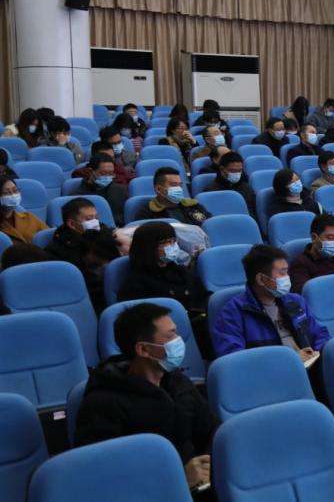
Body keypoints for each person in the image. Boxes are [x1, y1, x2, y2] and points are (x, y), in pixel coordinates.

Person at [74, 302, 218, 490]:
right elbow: (103, 474)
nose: (179, 341)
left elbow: (213, 431)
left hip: (202, 484)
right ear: (143, 349)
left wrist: (209, 463)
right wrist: (178, 478)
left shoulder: (178, 382)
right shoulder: (102, 403)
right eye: (171, 336)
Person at [213, 244, 330, 359]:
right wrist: (290, 360)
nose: (287, 277)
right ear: (261, 279)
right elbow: (234, 359)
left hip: (310, 365)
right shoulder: (233, 313)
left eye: (287, 272)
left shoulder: (296, 301)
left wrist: (318, 352)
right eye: (282, 272)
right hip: (273, 370)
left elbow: (320, 333)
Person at [45, 197, 121, 310]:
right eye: (89, 219)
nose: (95, 222)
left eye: (96, 217)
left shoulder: (108, 236)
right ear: (72, 224)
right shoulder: (56, 250)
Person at [117, 221, 200, 310]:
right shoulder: (136, 281)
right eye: (164, 242)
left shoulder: (180, 271)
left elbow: (203, 296)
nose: (171, 246)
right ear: (148, 247)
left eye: (172, 241)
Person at [137, 167, 212, 226]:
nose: (179, 188)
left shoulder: (194, 206)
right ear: (159, 189)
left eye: (180, 185)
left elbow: (209, 226)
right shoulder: (147, 212)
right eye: (173, 185)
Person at [71, 153, 128, 226]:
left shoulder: (119, 190)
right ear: (91, 171)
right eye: (103, 173)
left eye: (111, 174)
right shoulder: (77, 195)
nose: (107, 177)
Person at [202, 151, 256, 216]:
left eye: (239, 171)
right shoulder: (210, 191)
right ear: (222, 169)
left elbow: (252, 213)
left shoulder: (247, 188)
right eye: (233, 170)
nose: (237, 174)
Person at [0, 176, 48, 243]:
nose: (13, 195)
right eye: (6, 193)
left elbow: (48, 236)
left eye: (15, 190)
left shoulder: (29, 217)